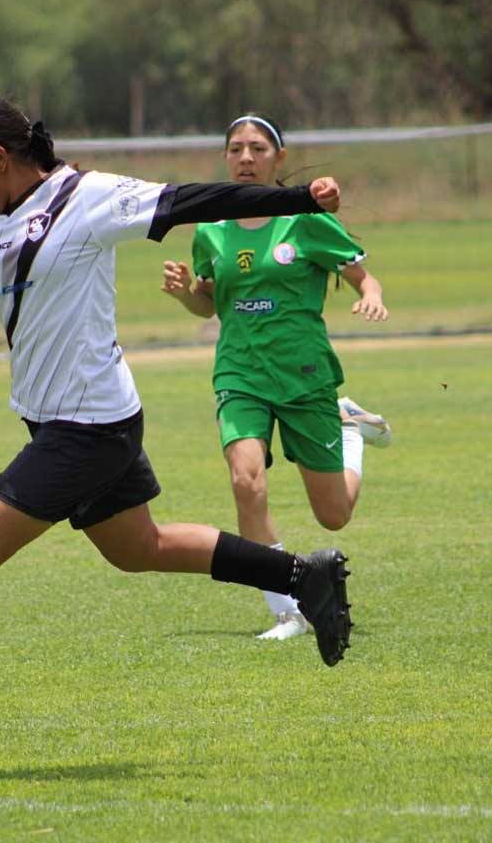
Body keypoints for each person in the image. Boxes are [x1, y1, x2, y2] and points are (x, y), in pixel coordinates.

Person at [0, 90, 356, 765]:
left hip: (89, 427)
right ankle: (303, 574)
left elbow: (192, 201)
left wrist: (300, 198)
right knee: (139, 548)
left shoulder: (89, 197)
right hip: (65, 421)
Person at [160, 113, 392, 641]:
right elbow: (208, 303)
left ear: (278, 158)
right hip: (239, 371)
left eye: (258, 149)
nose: (246, 158)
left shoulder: (305, 220)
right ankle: (288, 611)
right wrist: (184, 294)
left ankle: (351, 430)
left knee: (334, 515)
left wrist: (372, 297)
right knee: (246, 480)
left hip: (304, 374)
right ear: (225, 157)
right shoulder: (211, 230)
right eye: (236, 149)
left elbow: (364, 277)